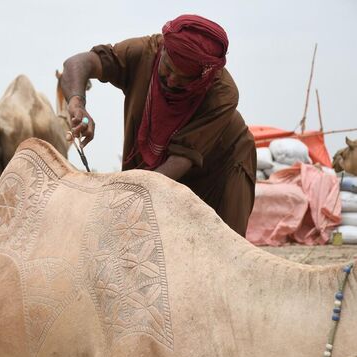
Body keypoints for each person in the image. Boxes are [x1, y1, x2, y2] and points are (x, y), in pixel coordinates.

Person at [60, 14, 256, 236]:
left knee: (222, 246)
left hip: (221, 164)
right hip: (163, 169)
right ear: (163, 50)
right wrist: (77, 104)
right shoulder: (144, 52)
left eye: (184, 79)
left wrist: (122, 196)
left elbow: (179, 162)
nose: (172, 80)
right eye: (168, 68)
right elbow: (77, 63)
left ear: (204, 76)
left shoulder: (221, 95)